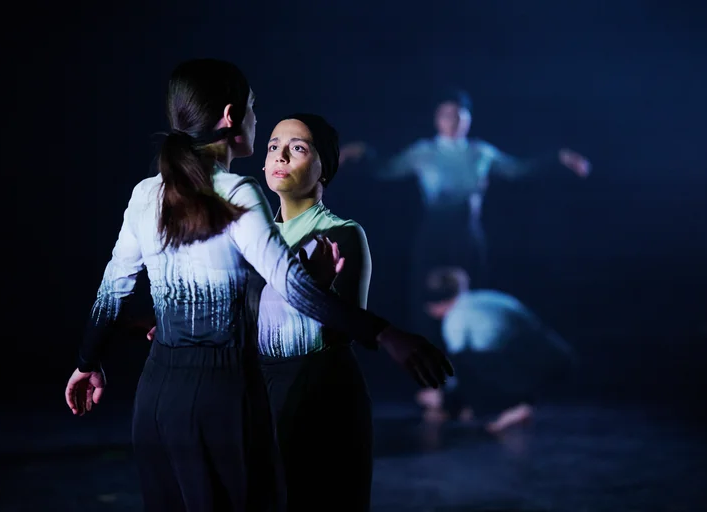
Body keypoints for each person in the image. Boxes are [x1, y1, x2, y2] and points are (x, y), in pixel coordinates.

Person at [63, 59, 454, 512]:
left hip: (155, 397)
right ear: (231, 117)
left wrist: (86, 361)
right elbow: (292, 289)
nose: (267, 136)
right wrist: (387, 334)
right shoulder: (237, 191)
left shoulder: (146, 192)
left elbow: (111, 293)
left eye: (298, 148)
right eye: (254, 112)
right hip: (219, 393)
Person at [339, 89, 591, 346]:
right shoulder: (423, 152)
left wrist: (558, 157)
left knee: (473, 295)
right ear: (437, 119)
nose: (453, 122)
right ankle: (428, 369)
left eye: (459, 116)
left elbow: (517, 170)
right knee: (425, 298)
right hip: (434, 233)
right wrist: (363, 153)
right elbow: (386, 169)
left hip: (467, 234)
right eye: (447, 115)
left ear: (468, 119)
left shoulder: (481, 152)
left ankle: (467, 362)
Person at [250, 113, 375, 511]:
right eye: (273, 147)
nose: (280, 155)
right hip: (259, 387)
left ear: (325, 168)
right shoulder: (249, 239)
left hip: (321, 389)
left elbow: (348, 326)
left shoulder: (342, 233)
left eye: (297, 148)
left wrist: (314, 289)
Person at [416, 266, 576, 434]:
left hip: (531, 365)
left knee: (465, 364)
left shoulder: (455, 317)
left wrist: (444, 398)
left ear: (436, 305)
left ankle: (507, 408)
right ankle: (518, 406)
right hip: (558, 359)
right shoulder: (485, 298)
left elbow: (458, 366)